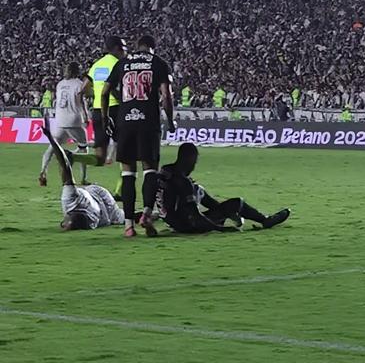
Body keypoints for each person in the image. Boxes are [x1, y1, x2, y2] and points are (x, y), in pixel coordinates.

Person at [103, 34, 176, 237]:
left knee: (128, 173)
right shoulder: (159, 63)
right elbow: (166, 96)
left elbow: (105, 91)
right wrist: (170, 121)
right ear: (152, 47)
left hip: (125, 122)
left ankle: (128, 226)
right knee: (150, 170)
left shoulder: (124, 63)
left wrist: (105, 118)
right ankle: (145, 213)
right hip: (148, 122)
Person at [157, 143, 290, 233]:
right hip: (186, 225)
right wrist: (220, 229)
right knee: (237, 203)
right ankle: (264, 220)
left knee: (198, 189)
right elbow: (195, 216)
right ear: (189, 160)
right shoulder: (183, 182)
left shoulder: (165, 171)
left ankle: (229, 212)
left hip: (171, 220)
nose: (194, 166)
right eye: (194, 162)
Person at [71, 36, 127, 197]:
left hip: (97, 110)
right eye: (123, 48)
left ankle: (72, 157)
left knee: (100, 157)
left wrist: (95, 94)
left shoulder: (97, 65)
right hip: (115, 109)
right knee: (125, 153)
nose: (125, 51)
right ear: (116, 48)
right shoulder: (119, 64)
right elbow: (116, 88)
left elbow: (82, 90)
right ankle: (119, 191)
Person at [41, 123, 124, 231]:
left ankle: (148, 212)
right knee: (124, 217)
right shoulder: (90, 218)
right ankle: (150, 212)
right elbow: (65, 167)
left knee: (124, 217)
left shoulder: (70, 200)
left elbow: (65, 167)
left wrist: (51, 139)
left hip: (96, 197)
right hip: (102, 199)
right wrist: (51, 138)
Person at [39, 62, 90, 187]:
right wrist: (86, 116)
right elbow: (80, 101)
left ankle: (43, 172)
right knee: (84, 148)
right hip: (74, 120)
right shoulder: (79, 84)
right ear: (77, 71)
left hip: (61, 119)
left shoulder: (60, 84)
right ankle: (83, 178)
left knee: (52, 147)